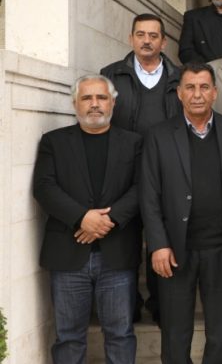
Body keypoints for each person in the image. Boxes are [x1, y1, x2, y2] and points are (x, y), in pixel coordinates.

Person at [140, 63, 222, 363]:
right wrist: (158, 244)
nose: (197, 94)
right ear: (179, 93)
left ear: (215, 93)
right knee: (175, 331)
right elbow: (149, 195)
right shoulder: (159, 135)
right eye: (190, 87)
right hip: (175, 249)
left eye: (203, 87)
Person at [33, 75, 141, 363]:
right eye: (87, 98)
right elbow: (44, 187)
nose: (95, 104)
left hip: (117, 255)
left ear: (113, 103)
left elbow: (141, 187)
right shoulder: (54, 142)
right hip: (67, 255)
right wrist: (82, 218)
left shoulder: (133, 143)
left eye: (101, 97)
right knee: (68, 337)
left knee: (120, 334)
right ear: (75, 103)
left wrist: (108, 220)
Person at [100, 13, 182, 324]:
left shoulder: (178, 77)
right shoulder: (111, 75)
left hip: (167, 169)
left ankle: (160, 306)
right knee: (126, 238)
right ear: (131, 38)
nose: (146, 41)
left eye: (153, 35)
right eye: (140, 34)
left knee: (163, 236)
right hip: (124, 170)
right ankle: (130, 305)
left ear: (164, 42)